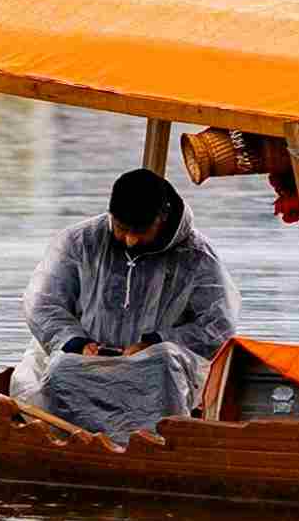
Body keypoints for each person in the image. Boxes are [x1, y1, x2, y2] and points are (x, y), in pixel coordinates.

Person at [25, 165, 234, 440]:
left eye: (141, 231)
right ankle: (68, 444)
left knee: (163, 365)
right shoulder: (80, 242)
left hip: (155, 363)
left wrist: (154, 341)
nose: (131, 240)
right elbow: (44, 304)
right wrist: (76, 342)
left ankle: (159, 446)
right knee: (61, 368)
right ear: (112, 215)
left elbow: (218, 325)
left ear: (162, 218)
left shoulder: (197, 256)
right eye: (122, 229)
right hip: (86, 357)